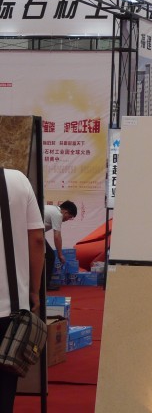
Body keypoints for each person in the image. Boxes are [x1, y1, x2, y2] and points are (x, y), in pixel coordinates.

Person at [0, 168, 45, 412]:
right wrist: (34, 290)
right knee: (4, 386)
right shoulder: (17, 180)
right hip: (10, 307)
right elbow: (37, 239)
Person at [43, 200, 77, 291]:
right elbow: (57, 236)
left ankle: (42, 284)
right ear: (65, 212)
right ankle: (45, 285)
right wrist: (60, 254)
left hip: (33, 232)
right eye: (69, 217)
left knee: (46, 255)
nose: (67, 220)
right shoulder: (58, 214)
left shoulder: (53, 209)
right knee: (50, 256)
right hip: (31, 233)